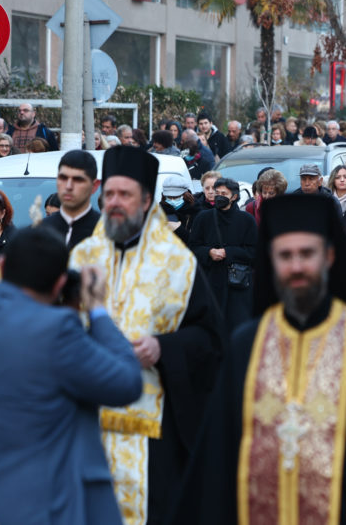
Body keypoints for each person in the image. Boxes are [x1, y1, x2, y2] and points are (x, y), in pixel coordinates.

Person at [172, 194, 346, 524]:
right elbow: (217, 460)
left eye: (307, 254)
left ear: (329, 257)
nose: (296, 267)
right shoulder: (247, 344)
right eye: (285, 255)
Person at [68, 146, 223, 525]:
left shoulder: (177, 262)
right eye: (109, 194)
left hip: (155, 430)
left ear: (147, 201)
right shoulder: (81, 256)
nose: (115, 203)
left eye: (125, 195)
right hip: (86, 423)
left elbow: (210, 339)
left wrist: (162, 347)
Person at [0, 226, 143, 525]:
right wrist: (97, 310)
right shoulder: (57, 330)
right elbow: (127, 383)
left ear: (2, 266)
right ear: (60, 283)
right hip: (34, 508)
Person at [189, 177, 256, 333]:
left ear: (234, 196)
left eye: (224, 194)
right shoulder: (203, 218)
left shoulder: (246, 220)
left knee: (238, 329)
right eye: (217, 193)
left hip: (238, 287)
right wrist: (209, 252)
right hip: (210, 283)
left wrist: (229, 252)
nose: (219, 196)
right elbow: (192, 248)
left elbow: (254, 252)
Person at [41, 150, 102, 249]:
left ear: (94, 186)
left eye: (78, 180)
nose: (68, 186)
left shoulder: (107, 233)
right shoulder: (38, 233)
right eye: (63, 178)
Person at [159, 176, 199, 246]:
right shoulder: (159, 212)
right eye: (168, 197)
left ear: (185, 195)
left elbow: (198, 241)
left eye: (175, 197)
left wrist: (178, 229)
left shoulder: (197, 211)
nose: (172, 200)